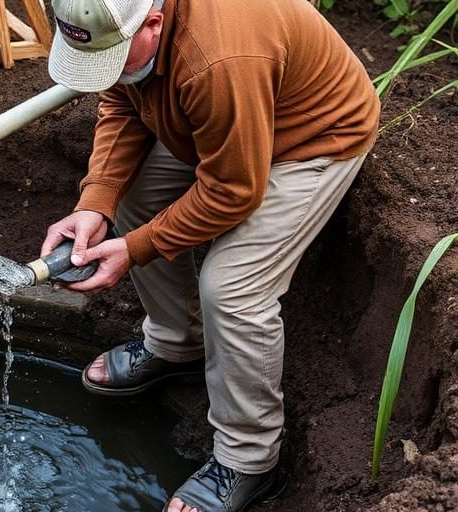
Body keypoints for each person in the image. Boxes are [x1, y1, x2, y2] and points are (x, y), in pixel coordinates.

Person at [40, 0, 380, 509]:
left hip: (307, 140)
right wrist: (97, 201)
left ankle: (248, 460)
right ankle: (177, 344)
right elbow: (120, 101)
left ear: (153, 23)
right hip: (225, 123)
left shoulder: (218, 57)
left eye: (114, 57)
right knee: (130, 195)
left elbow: (233, 191)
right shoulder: (120, 18)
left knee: (232, 289)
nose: (108, 70)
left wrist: (136, 248)